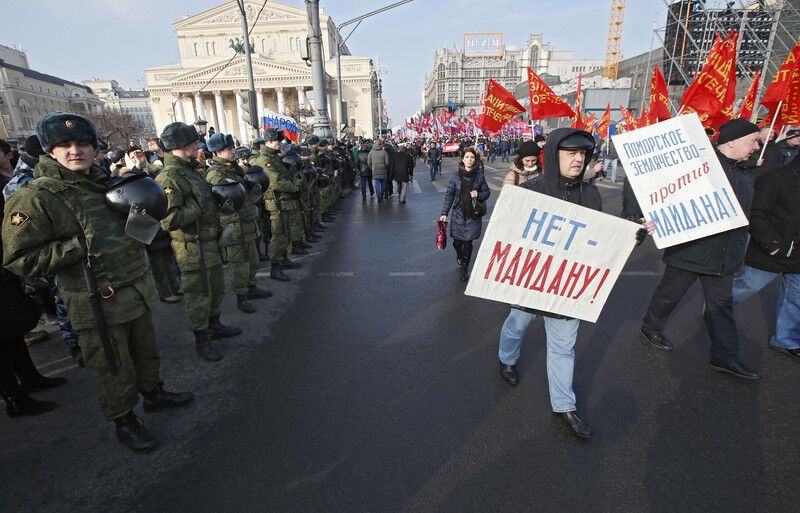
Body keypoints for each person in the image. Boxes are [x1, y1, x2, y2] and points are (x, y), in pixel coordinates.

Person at [2, 112, 193, 451]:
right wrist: (77, 247)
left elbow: (131, 228)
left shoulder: (103, 180)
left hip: (133, 286)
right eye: (64, 145)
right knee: (112, 364)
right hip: (94, 298)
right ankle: (124, 419)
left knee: (145, 351)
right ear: (49, 151)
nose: (75, 150)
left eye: (82, 143)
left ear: (94, 148)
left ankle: (153, 392)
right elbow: (19, 259)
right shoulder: (36, 197)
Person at [495, 128, 653, 439]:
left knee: (563, 348)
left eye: (583, 153)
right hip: (532, 281)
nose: (579, 159)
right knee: (516, 324)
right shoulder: (532, 191)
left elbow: (595, 242)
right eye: (571, 153)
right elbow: (511, 235)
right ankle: (506, 359)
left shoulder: (591, 195)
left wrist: (629, 238)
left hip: (567, 289)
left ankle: (564, 406)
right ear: (554, 155)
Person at [639, 118, 763, 379]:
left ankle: (725, 357)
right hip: (690, 250)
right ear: (732, 141)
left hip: (723, 257)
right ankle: (651, 327)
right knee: (669, 295)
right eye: (753, 141)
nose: (756, 146)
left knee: (721, 308)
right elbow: (661, 191)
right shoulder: (697, 164)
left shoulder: (743, 172)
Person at [156, 122, 242, 362]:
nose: (198, 145)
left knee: (215, 289)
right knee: (198, 295)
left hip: (208, 242)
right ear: (183, 145)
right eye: (194, 142)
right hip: (192, 248)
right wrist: (196, 206)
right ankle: (201, 339)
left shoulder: (191, 170)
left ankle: (214, 325)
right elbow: (169, 219)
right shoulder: (170, 176)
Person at [729, 144, 800, 361]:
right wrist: (773, 245)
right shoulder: (775, 178)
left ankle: (785, 340)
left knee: (796, 298)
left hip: (798, 254)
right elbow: (757, 214)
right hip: (771, 251)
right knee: (747, 286)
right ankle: (717, 306)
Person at [205, 133, 272, 314]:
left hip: (248, 220)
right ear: (218, 152)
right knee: (238, 264)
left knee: (253, 260)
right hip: (233, 225)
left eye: (233, 147)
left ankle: (251, 287)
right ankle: (241, 296)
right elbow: (221, 201)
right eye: (229, 149)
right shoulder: (215, 173)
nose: (233, 151)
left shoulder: (235, 169)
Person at [251, 128, 303, 282]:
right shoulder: (264, 160)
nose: (280, 143)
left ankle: (283, 258)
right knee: (278, 235)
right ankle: (276, 266)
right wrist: (295, 188)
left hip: (284, 202)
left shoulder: (274, 157)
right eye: (277, 141)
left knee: (285, 233)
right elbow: (277, 181)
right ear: (269, 142)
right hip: (276, 203)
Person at [439, 147, 490, 281]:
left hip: (473, 214)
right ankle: (460, 255)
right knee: (457, 242)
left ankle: (464, 269)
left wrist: (478, 194)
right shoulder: (455, 176)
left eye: (472, 157)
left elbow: (487, 193)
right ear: (462, 159)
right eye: (467, 157)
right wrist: (444, 213)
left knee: (468, 242)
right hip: (458, 214)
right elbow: (449, 196)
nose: (469, 159)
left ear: (475, 160)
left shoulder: (480, 176)